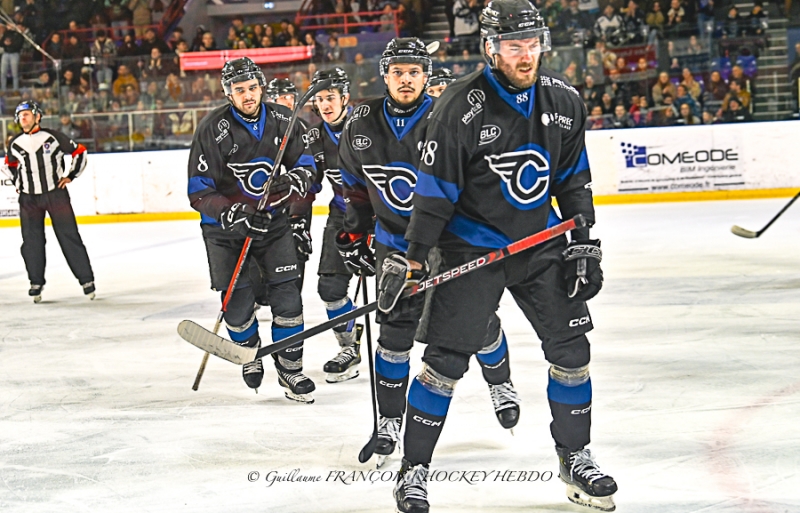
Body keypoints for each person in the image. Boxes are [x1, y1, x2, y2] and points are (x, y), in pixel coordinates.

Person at [383, 1, 617, 511]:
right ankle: (413, 471)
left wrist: (583, 240)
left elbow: (574, 178)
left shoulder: (563, 100)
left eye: (534, 44)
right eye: (515, 46)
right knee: (444, 362)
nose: (527, 55)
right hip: (472, 248)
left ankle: (575, 457)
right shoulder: (459, 107)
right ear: (490, 48)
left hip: (541, 244)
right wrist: (416, 258)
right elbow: (434, 193)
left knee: (573, 353)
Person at [337, 37, 521, 470]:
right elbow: (352, 186)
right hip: (395, 246)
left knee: (475, 325)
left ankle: (501, 381)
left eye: (414, 72)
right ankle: (388, 424)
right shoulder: (360, 125)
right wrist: (355, 235)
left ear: (425, 76)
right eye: (397, 72)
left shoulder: (447, 118)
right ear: (384, 75)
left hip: (450, 241)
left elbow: (480, 181)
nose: (405, 79)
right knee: (394, 336)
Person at [186, 57, 318, 402]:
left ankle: (291, 369)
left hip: (273, 224)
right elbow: (198, 191)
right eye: (239, 90)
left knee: (288, 297)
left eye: (252, 88)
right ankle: (250, 349)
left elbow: (306, 163)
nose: (247, 95)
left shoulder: (283, 120)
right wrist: (235, 213)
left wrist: (292, 181)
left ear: (261, 86)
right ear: (228, 93)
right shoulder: (211, 129)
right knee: (239, 305)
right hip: (225, 232)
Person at [300, 67, 364, 383]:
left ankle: (397, 352)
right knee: (330, 287)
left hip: (385, 217)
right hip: (342, 216)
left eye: (331, 97)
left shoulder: (369, 126)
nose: (325, 104)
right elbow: (309, 185)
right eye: (320, 99)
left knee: (400, 291)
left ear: (345, 97)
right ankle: (349, 347)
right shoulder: (314, 138)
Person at [3, 101, 95, 303]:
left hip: (56, 195)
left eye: (27, 114)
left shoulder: (52, 137)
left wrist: (70, 176)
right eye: (20, 116)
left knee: (69, 236)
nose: (23, 118)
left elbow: (80, 152)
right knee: (31, 242)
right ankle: (35, 282)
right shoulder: (15, 142)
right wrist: (18, 182)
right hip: (28, 199)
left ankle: (86, 280)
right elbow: (8, 165)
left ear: (37, 117)